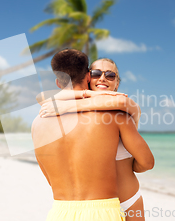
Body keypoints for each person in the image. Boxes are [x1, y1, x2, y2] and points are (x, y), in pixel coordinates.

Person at [32, 49, 154, 221]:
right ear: (88, 76)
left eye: (110, 75)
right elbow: (148, 162)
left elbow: (51, 178)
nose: (103, 78)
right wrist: (86, 95)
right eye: (97, 73)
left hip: (62, 210)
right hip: (103, 207)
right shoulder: (116, 117)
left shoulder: (38, 121)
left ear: (118, 82)